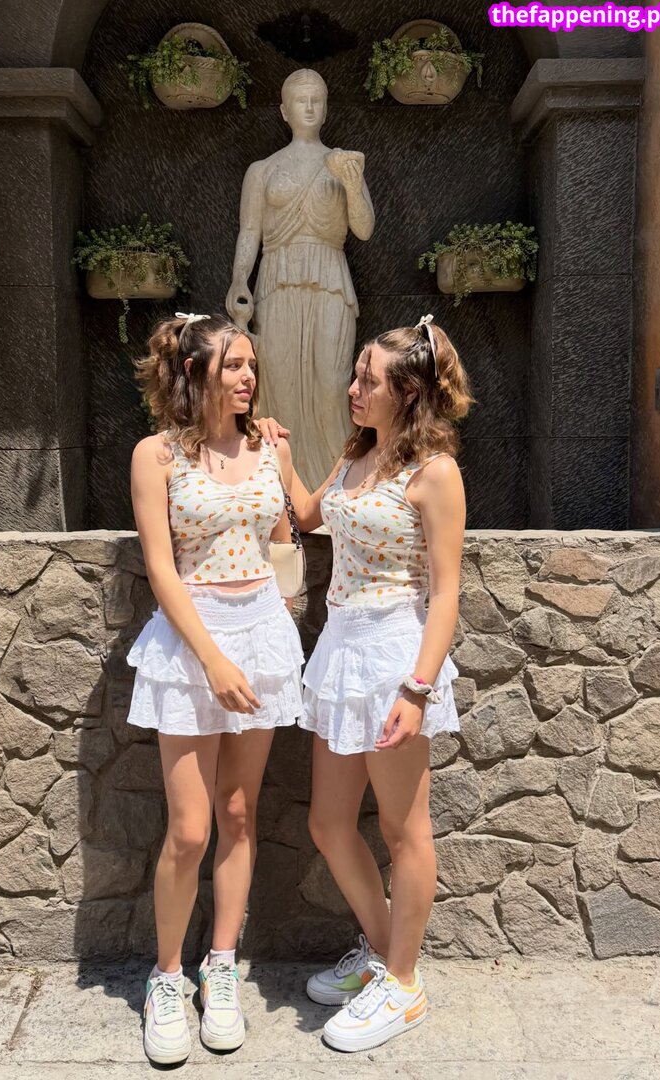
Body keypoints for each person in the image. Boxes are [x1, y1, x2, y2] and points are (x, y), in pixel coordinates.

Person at [265, 314, 472, 1052]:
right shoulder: (358, 453)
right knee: (328, 823)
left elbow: (445, 593)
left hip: (393, 657)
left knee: (402, 830)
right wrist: (281, 455)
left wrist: (417, 690)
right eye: (355, 374)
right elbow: (309, 515)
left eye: (367, 379)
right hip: (341, 650)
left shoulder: (434, 473)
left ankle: (404, 986)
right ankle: (385, 953)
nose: (352, 387)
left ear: (407, 392)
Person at [127, 312, 304, 1064]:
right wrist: (212, 660)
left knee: (238, 812)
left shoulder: (270, 445)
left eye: (251, 365)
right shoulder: (156, 455)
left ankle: (220, 966)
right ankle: (166, 978)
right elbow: (160, 568)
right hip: (191, 644)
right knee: (190, 829)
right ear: (194, 372)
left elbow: (288, 534)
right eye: (234, 364)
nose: (248, 377)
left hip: (260, 631)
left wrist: (283, 605)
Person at [226, 67, 375, 491]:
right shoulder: (263, 170)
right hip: (277, 279)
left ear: (325, 110)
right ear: (284, 111)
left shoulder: (343, 164)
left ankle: (337, 488)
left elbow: (364, 229)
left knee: (332, 386)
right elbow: (250, 231)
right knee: (279, 383)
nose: (308, 108)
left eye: (316, 101)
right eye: (300, 101)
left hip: (330, 279)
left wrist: (351, 184)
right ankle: (279, 489)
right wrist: (239, 280)